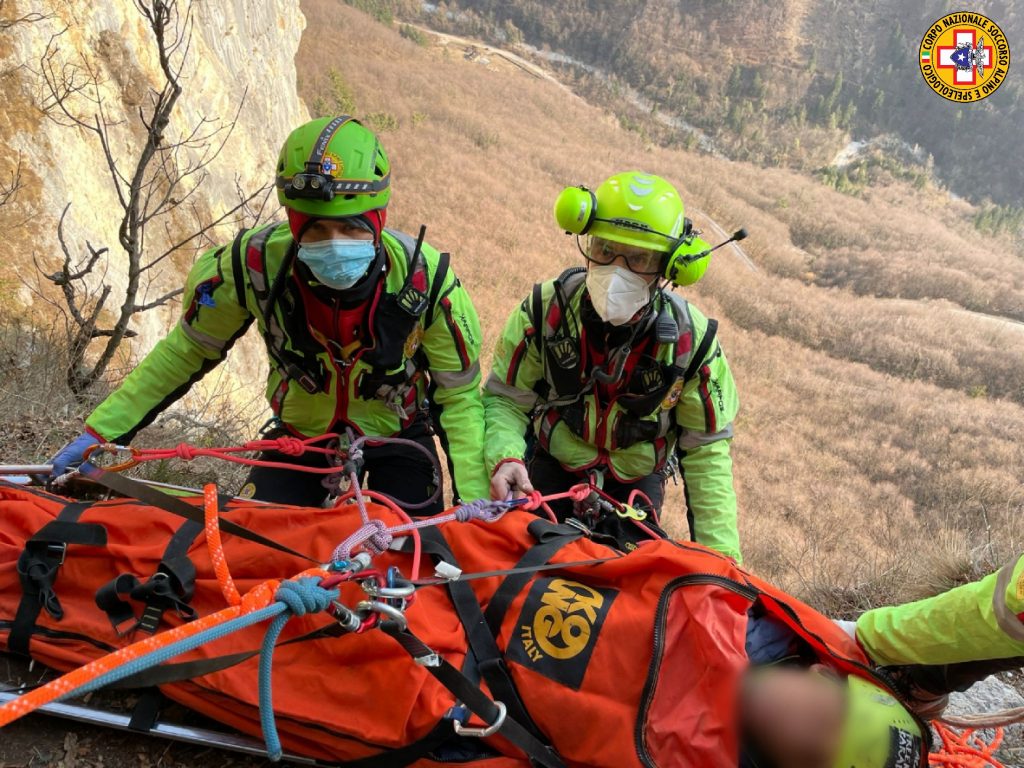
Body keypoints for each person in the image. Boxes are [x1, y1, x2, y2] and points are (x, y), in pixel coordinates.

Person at [49, 116, 490, 510]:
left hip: (399, 434)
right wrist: (101, 434)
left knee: (408, 555)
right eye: (315, 228)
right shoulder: (250, 267)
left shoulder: (427, 283)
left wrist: (474, 496)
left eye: (351, 226)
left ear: (377, 219)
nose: (333, 241)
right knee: (255, 547)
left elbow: (460, 399)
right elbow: (185, 352)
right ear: (294, 222)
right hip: (300, 437)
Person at [484, 171, 742, 559]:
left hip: (636, 482)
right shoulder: (544, 311)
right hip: (551, 464)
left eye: (638, 258)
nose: (616, 269)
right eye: (604, 250)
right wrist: (505, 455)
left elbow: (706, 456)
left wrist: (723, 565)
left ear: (668, 268)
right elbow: (506, 399)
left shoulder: (693, 346)